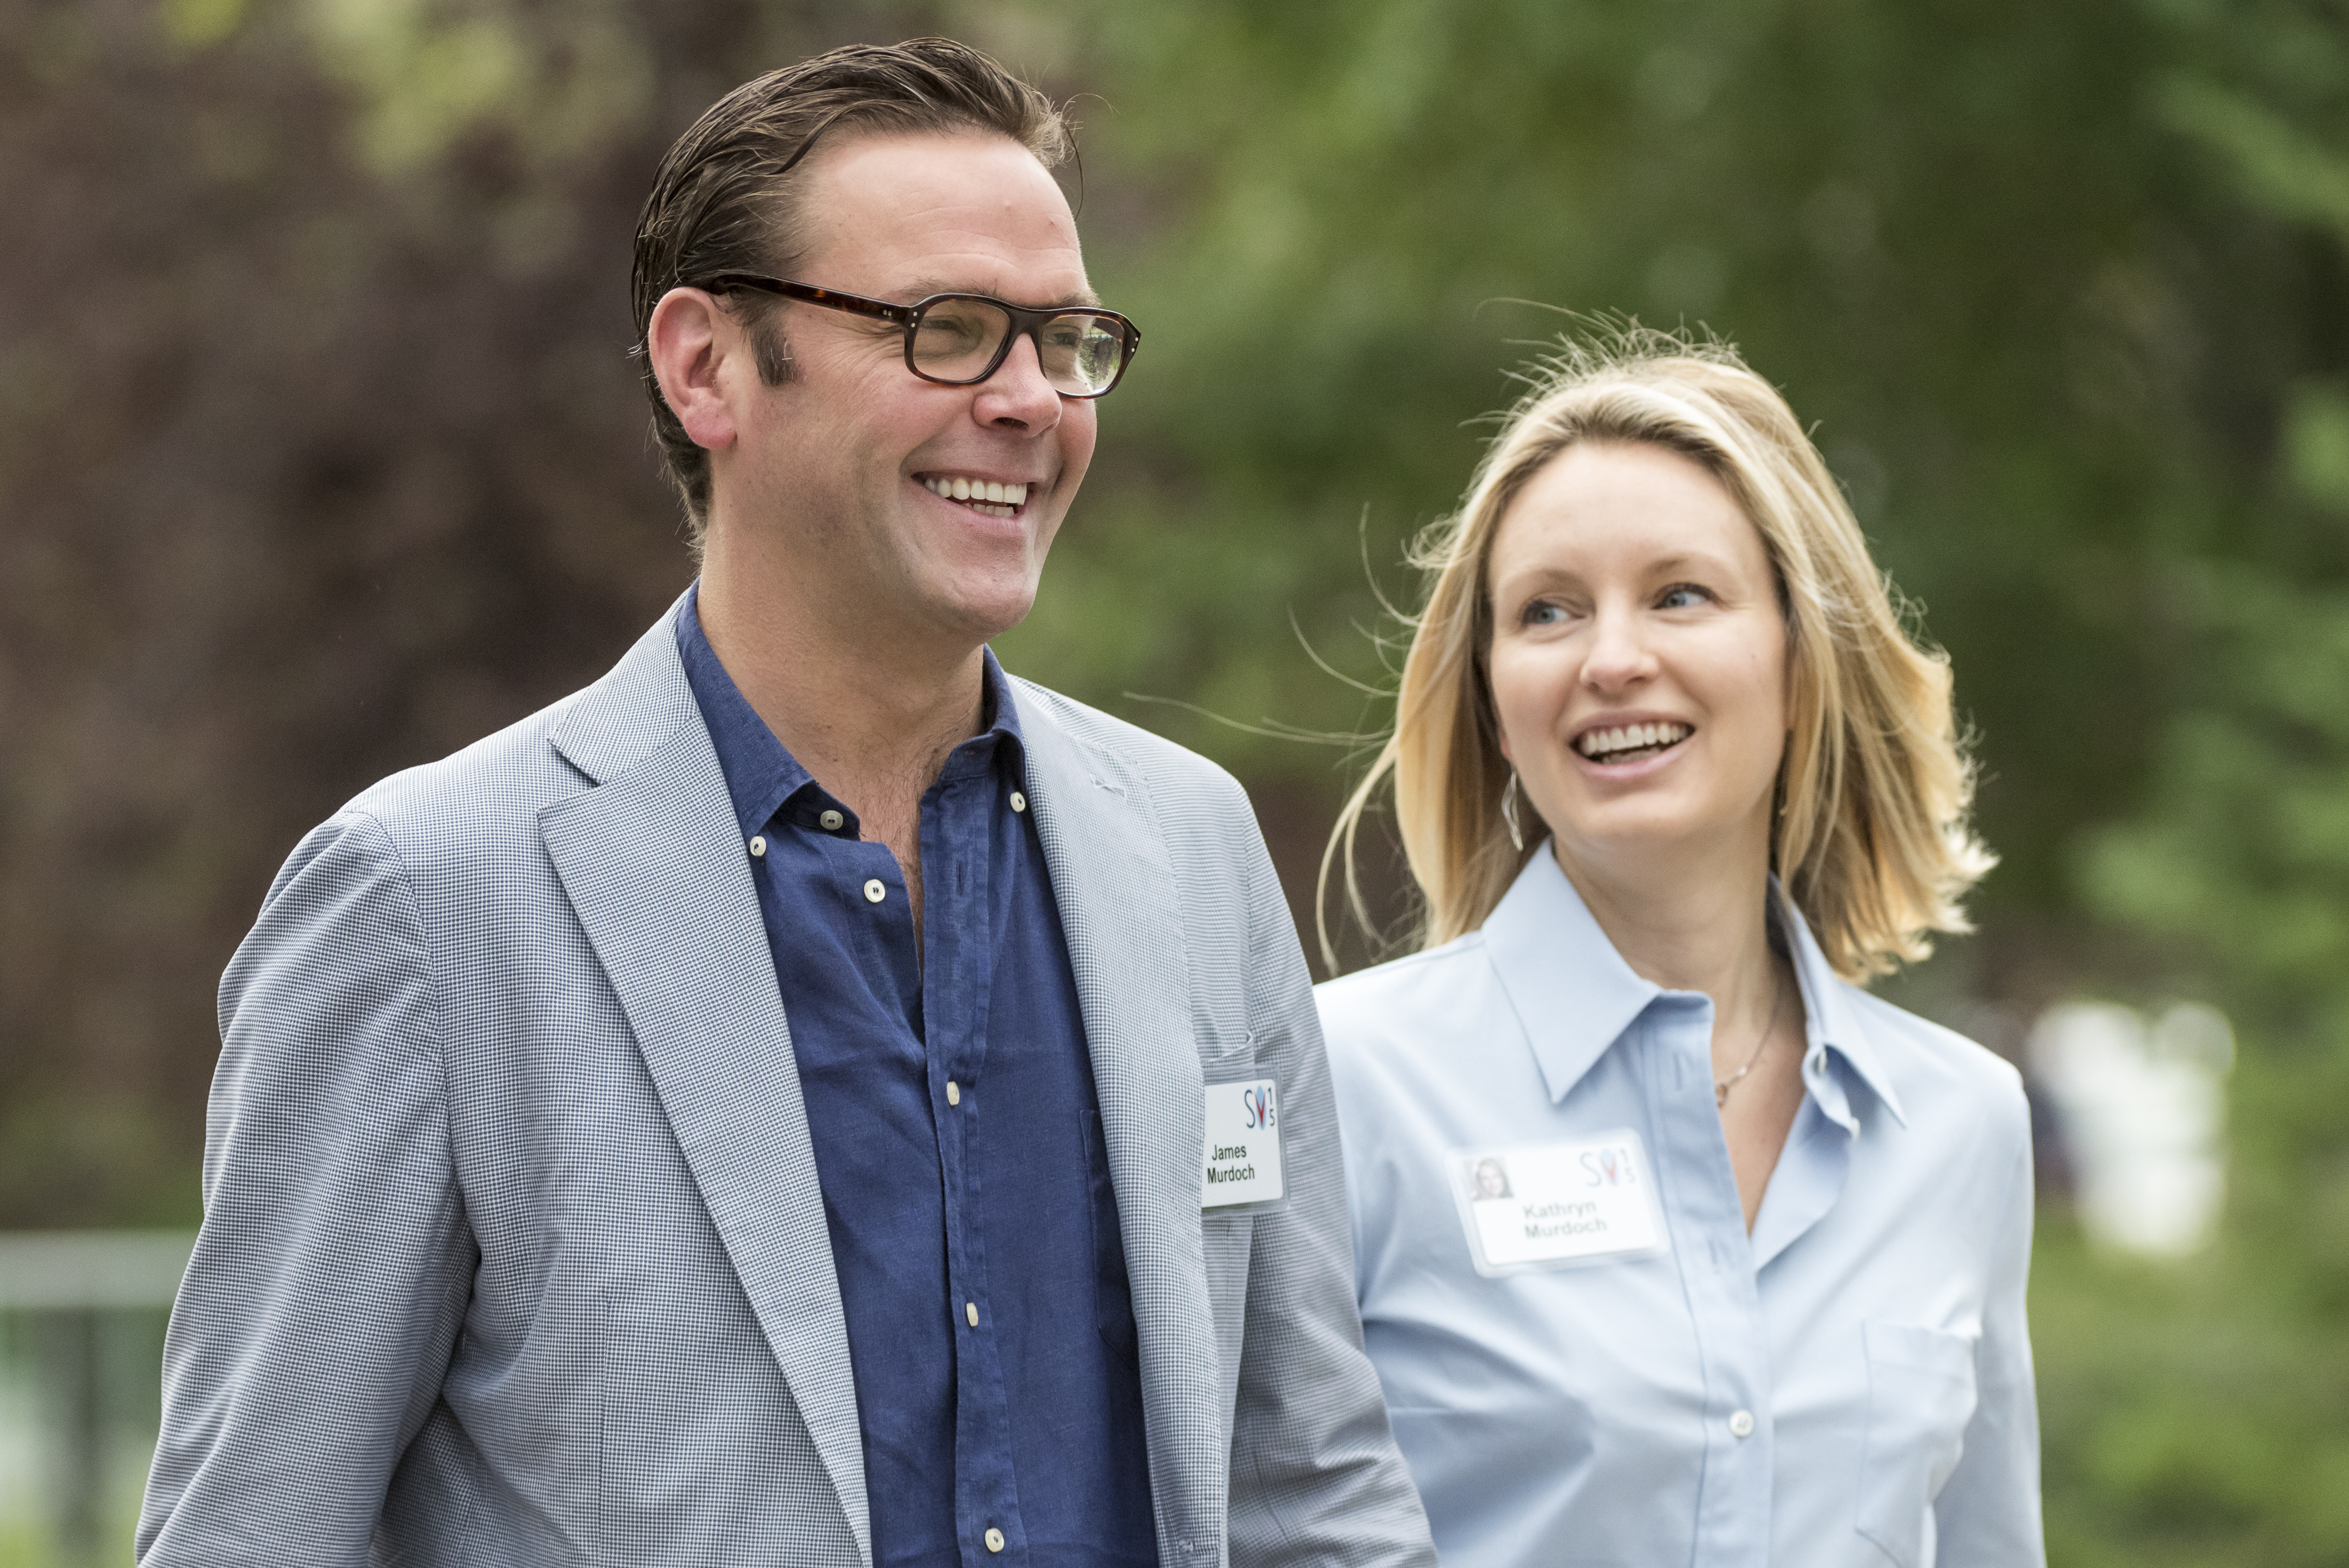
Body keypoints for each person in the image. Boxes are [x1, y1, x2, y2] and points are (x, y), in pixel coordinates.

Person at [140, 40, 1435, 1568]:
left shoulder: (1194, 846)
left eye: (1068, 339)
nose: (1030, 401)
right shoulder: (423, 899)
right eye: (950, 330)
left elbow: (1309, 1487)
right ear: (706, 367)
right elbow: (251, 1532)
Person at [1316, 332, 2042, 1566]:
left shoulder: (1961, 1124)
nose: (1610, 660)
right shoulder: (1341, 1083)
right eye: (1546, 611)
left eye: (1678, 595)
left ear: (1802, 663)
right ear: (1493, 701)